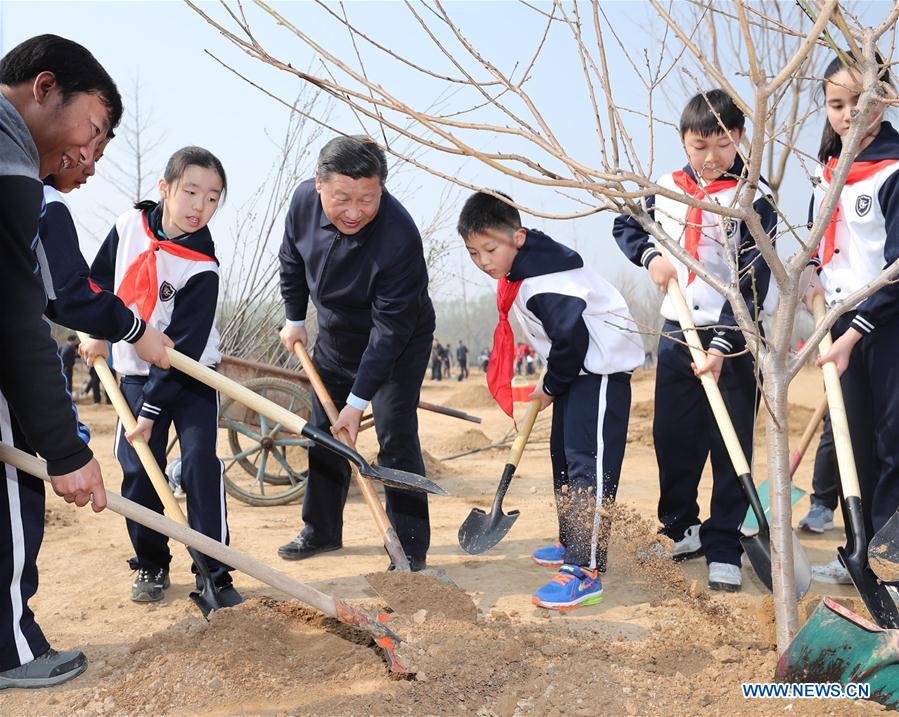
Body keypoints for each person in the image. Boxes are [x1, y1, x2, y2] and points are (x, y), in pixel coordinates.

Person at [613, 89, 777, 592]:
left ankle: (724, 539)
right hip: (676, 332)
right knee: (673, 438)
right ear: (684, 141)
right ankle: (680, 527)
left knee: (730, 444)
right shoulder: (665, 188)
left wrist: (724, 345)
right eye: (698, 145)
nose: (709, 158)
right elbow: (626, 224)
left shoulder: (755, 197)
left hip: (735, 335)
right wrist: (650, 257)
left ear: (740, 139)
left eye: (722, 145)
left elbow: (754, 278)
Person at [0, 34, 119, 690]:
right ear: (43, 88)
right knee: (13, 497)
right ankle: (11, 649)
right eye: (93, 133)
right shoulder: (14, 162)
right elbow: (21, 317)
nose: (88, 157)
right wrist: (66, 449)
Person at [460, 190, 644, 610]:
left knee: (588, 467)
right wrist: (555, 382)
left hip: (598, 375)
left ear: (518, 238)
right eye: (474, 253)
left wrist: (550, 383)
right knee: (563, 458)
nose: (484, 261)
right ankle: (572, 543)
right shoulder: (526, 271)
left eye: (491, 249)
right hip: (575, 374)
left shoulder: (547, 279)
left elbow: (571, 339)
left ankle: (586, 569)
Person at [83, 146, 240, 605]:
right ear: (165, 188)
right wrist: (96, 330)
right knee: (137, 469)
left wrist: (152, 410)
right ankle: (150, 563)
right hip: (132, 371)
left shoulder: (202, 266)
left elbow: (183, 348)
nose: (200, 207)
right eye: (191, 192)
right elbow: (97, 282)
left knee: (199, 466)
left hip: (191, 377)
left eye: (213, 198)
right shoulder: (127, 225)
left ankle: (214, 569)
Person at [277, 135, 435, 571]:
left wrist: (357, 402)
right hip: (334, 334)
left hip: (396, 344)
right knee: (323, 432)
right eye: (342, 198)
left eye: (367, 199)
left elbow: (390, 331)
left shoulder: (399, 236)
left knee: (395, 433)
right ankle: (321, 530)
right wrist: (294, 319)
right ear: (318, 184)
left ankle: (409, 546)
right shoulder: (302, 204)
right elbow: (291, 259)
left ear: (381, 189)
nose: (354, 211)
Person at [803, 51, 899, 584]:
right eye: (836, 104)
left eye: (859, 102)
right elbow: (818, 238)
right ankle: (858, 551)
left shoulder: (893, 168)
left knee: (892, 441)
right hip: (842, 321)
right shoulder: (828, 170)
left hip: (887, 324)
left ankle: (892, 561)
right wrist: (811, 274)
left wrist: (859, 330)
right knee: (851, 440)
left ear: (886, 100)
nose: (847, 115)